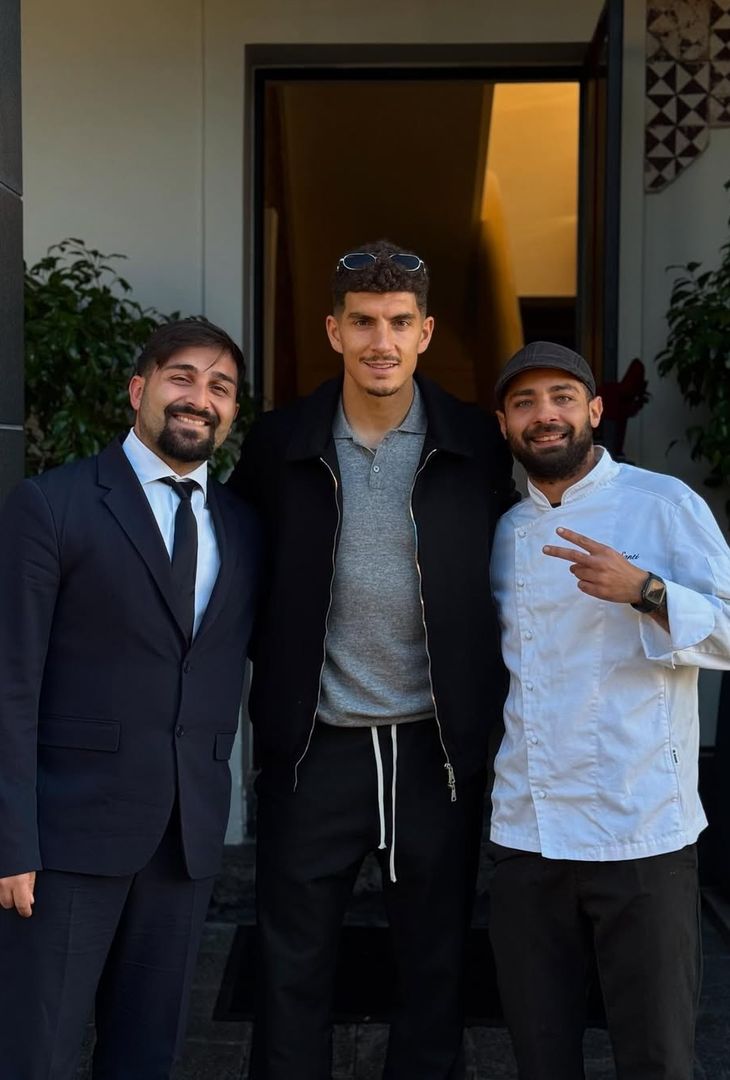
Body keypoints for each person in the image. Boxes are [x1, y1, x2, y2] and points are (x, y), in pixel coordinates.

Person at [228, 239, 516, 1079]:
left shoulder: (475, 442)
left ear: (425, 332)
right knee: (291, 965)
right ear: (333, 330)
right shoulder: (281, 442)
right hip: (317, 742)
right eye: (362, 323)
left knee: (433, 968)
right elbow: (242, 570)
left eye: (398, 322)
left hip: (437, 750)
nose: (379, 341)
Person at [0, 318, 260, 1079]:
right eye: (182, 377)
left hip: (184, 839)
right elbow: (10, 681)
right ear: (139, 388)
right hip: (64, 838)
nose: (199, 399)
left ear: (233, 412)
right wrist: (10, 840)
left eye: (220, 387)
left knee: (148, 1056)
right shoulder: (52, 505)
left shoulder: (243, 527)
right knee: (37, 1055)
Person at [488, 340, 730, 1080]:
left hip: (642, 831)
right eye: (525, 403)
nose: (545, 416)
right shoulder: (502, 534)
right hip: (527, 833)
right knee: (541, 1054)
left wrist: (648, 591)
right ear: (504, 424)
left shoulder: (665, 505)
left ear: (594, 411)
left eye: (562, 397)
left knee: (656, 1057)